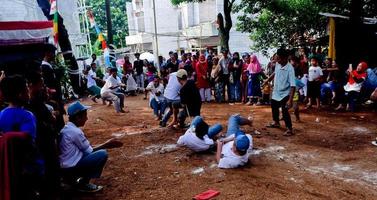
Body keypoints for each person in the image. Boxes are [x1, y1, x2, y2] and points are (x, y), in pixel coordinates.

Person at [59, 101, 122, 192]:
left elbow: (87, 148)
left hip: (65, 167)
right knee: (102, 154)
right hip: (70, 169)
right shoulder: (75, 132)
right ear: (77, 117)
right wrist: (107, 144)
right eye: (85, 115)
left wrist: (106, 144)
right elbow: (90, 151)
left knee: (95, 152)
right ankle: (84, 184)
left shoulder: (68, 128)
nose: (87, 118)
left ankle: (72, 181)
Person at [26, 72, 60, 198]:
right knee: (50, 168)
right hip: (44, 140)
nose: (43, 86)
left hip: (43, 139)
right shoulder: (34, 101)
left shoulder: (34, 101)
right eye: (41, 84)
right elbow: (49, 119)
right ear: (32, 85)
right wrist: (52, 118)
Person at [264, 49, 296, 136]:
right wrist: (267, 80)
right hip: (276, 91)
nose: (278, 60)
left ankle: (289, 128)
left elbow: (293, 85)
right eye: (277, 58)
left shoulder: (290, 69)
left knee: (284, 109)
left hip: (285, 92)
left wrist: (290, 100)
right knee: (273, 106)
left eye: (280, 59)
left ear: (286, 58)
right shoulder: (278, 64)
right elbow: (275, 73)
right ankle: (276, 122)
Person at [0, 75, 36, 139]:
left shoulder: (1, 114)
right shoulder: (27, 115)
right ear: (20, 94)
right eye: (27, 89)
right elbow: (29, 141)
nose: (29, 93)